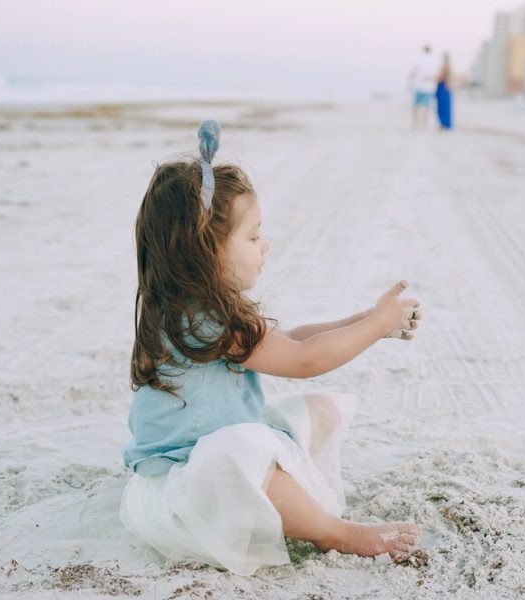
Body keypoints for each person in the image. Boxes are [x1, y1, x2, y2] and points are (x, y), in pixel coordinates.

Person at [119, 120, 423, 576]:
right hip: (190, 489)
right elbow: (304, 361)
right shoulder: (202, 321)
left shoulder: (194, 307)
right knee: (246, 448)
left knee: (318, 411)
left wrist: (367, 319)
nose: (266, 245)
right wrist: (378, 325)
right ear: (206, 249)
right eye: (253, 235)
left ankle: (291, 504)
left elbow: (293, 341)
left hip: (209, 466)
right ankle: (334, 531)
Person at [408, 45, 438, 129]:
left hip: (418, 86)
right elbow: (436, 74)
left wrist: (409, 84)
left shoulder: (418, 59)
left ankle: (415, 123)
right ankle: (424, 124)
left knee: (416, 106)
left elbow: (412, 73)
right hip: (428, 87)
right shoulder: (434, 60)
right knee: (426, 107)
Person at [435, 53, 453, 130]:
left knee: (442, 107)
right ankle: (445, 123)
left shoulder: (445, 67)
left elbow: (440, 78)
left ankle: (443, 124)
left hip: (442, 88)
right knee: (445, 107)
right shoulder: (449, 68)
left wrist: (435, 78)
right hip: (445, 88)